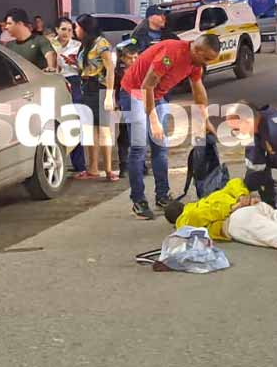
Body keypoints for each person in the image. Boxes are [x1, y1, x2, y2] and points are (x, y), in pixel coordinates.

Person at [121, 35, 221, 219]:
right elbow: (146, 86)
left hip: (157, 95)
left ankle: (162, 195)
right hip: (135, 92)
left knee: (161, 147)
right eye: (206, 59)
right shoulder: (171, 53)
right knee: (139, 148)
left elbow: (198, 89)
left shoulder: (195, 63)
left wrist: (205, 120)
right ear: (197, 50)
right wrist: (153, 120)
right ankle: (138, 201)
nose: (205, 64)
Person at [73, 14, 117, 181]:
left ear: (85, 28)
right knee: (90, 131)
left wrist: (109, 95)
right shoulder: (85, 45)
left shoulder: (101, 43)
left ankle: (108, 169)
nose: (75, 30)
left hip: (99, 89)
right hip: (86, 88)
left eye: (77, 27)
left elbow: (110, 70)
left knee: (104, 130)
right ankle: (92, 168)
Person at [53, 17, 86, 174]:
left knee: (73, 120)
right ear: (56, 30)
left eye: (69, 30)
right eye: (63, 29)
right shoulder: (50, 45)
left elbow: (85, 68)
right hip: (54, 82)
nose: (66, 33)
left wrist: (73, 63)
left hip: (73, 82)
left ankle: (79, 164)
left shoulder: (78, 46)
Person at [112, 40, 140, 179]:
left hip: (139, 104)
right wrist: (115, 102)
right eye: (130, 58)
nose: (133, 60)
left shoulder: (141, 70)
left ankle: (140, 165)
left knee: (139, 135)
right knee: (124, 136)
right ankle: (124, 165)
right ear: (122, 58)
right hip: (124, 106)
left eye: (136, 57)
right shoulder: (117, 73)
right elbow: (114, 89)